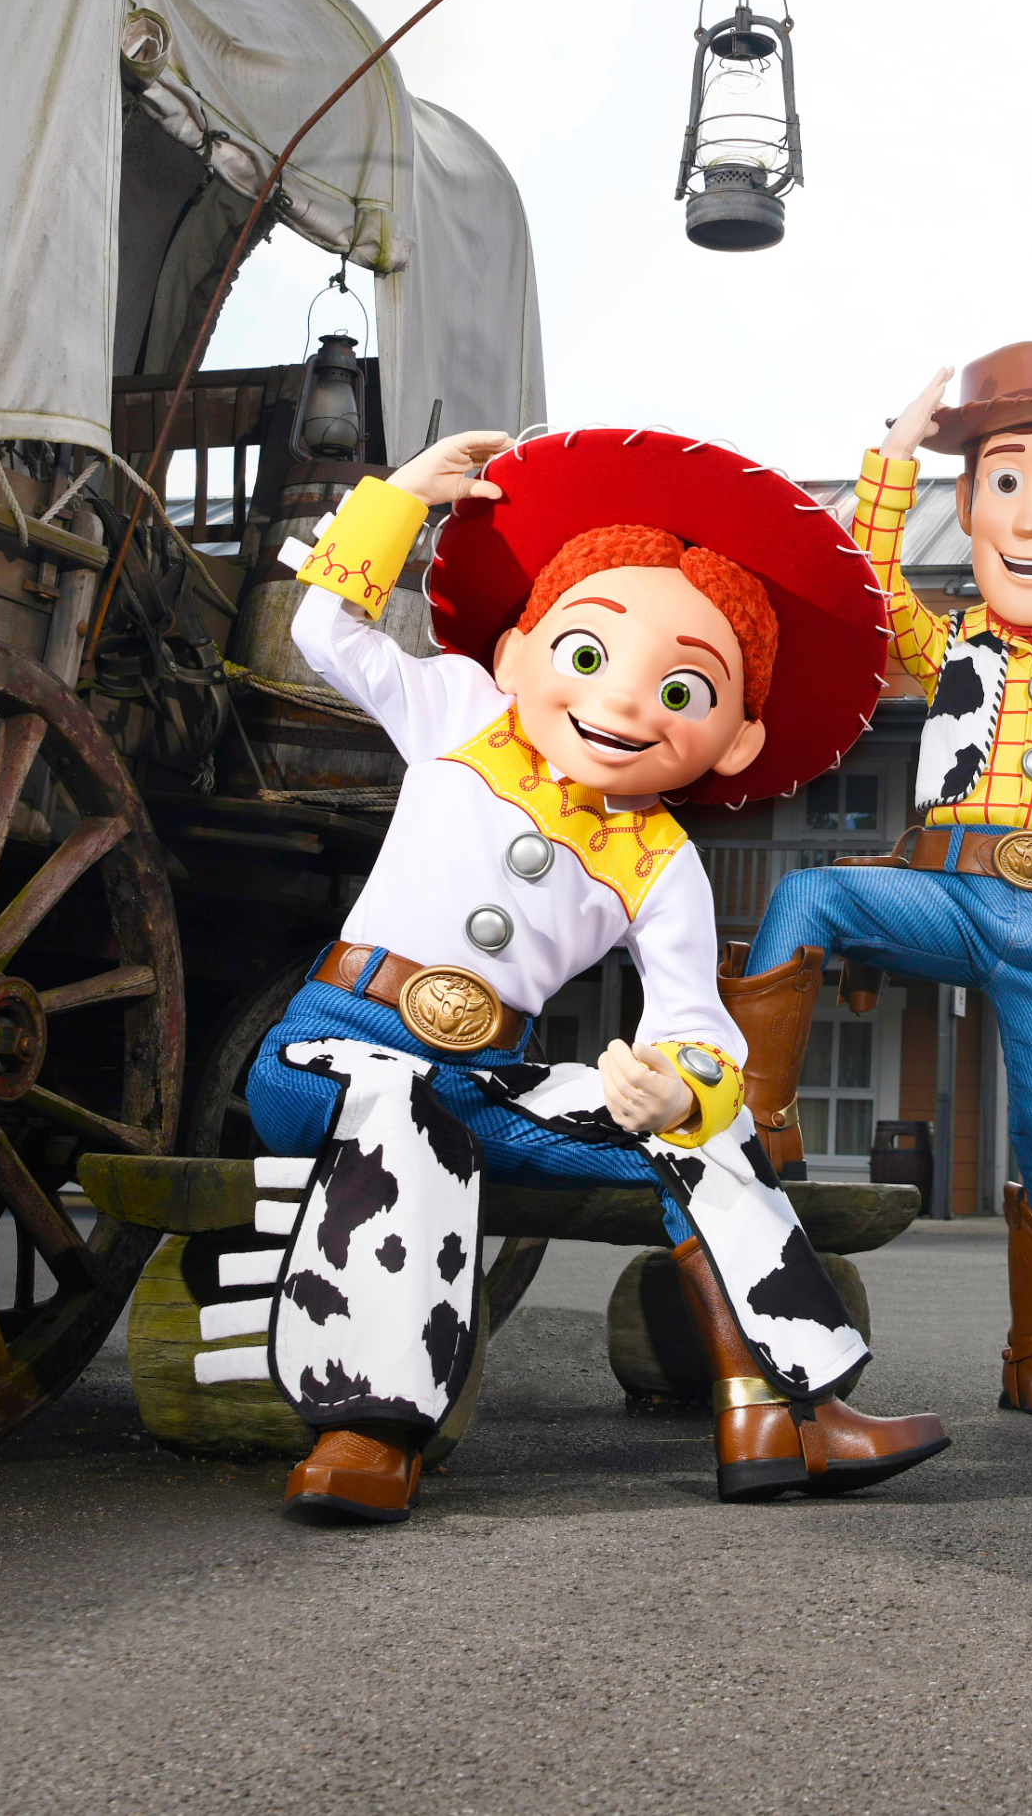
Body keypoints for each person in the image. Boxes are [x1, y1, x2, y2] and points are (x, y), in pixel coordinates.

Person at [228, 424, 948, 1521]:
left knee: (705, 1129)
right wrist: (401, 499)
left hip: (484, 1081)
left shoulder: (662, 861)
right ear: (518, 655)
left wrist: (682, 1082)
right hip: (330, 1050)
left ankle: (781, 1410)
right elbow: (327, 626)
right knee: (402, 1105)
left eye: (683, 691)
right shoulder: (463, 716)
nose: (620, 705)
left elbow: (695, 1018)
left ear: (738, 740)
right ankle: (365, 1424)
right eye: (586, 656)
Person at [745, 342, 1032, 1416]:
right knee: (809, 895)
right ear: (974, 507)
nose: (1030, 518)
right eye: (1003, 483)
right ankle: (758, 1116)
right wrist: (894, 455)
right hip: (944, 887)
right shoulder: (944, 642)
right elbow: (868, 580)